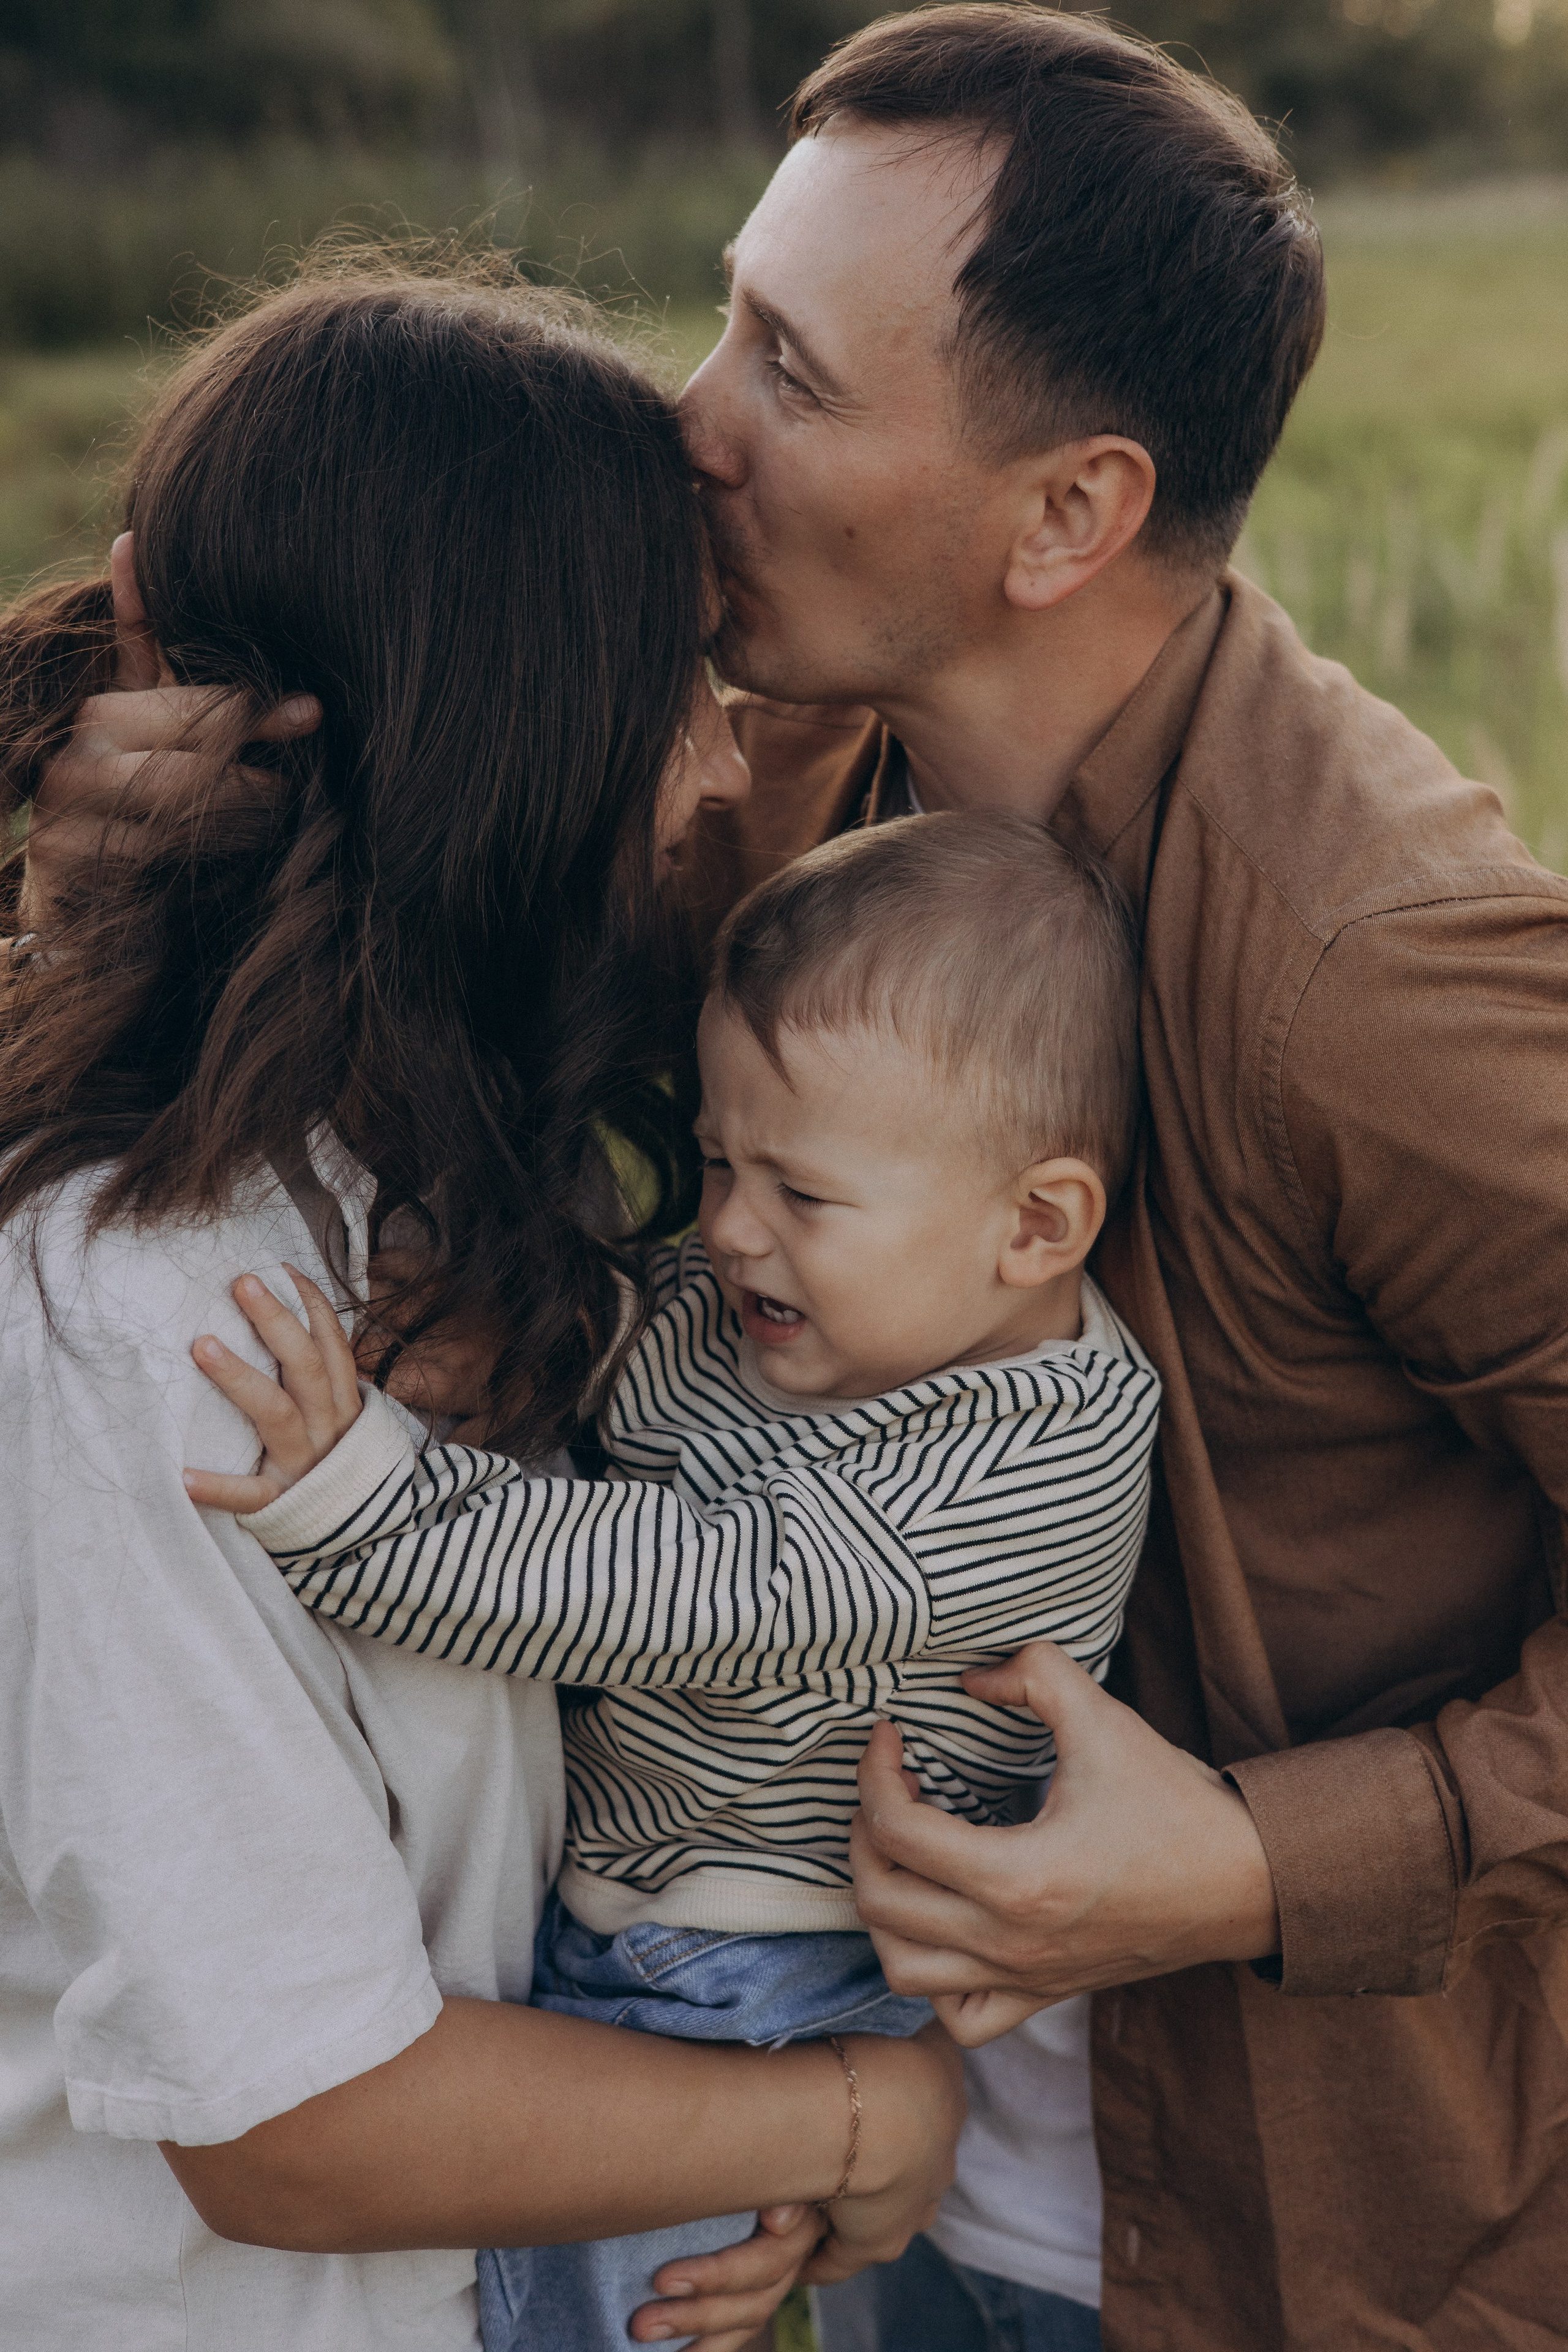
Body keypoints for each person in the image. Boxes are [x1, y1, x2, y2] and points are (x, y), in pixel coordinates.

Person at [35, 9, 1568, 2346]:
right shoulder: (777, 790)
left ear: (1071, 512)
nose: (692, 428)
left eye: (793, 369)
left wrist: (1270, 1856)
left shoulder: (1374, 969)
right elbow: (420, 962)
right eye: (724, 316)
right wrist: (145, 855)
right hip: (832, 2136)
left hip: (1271, 2235)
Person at [0, 260, 964, 2352]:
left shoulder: (430, 1186)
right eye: (675, 682)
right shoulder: (158, 1316)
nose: (721, 775)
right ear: (502, 740)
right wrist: (851, 2114)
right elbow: (297, 2114)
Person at [179, 809, 1163, 2352]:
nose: (728, 1225)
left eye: (797, 1193)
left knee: (593, 2323)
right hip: (647, 1917)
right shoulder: (822, 1300)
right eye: (715, 1157)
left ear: (1033, 1226)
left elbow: (686, 1583)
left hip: (755, 1972)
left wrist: (358, 1498)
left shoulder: (1018, 1465)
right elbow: (647, 1324)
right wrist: (518, 1318)